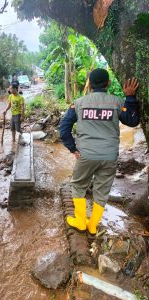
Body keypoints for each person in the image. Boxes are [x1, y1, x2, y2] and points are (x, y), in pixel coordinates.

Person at [60, 68, 140, 236]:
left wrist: (73, 148)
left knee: (78, 186)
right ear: (108, 83)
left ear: (89, 84)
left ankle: (80, 222)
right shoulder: (118, 102)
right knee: (102, 191)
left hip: (86, 155)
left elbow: (64, 128)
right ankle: (93, 225)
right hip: (109, 156)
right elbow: (132, 121)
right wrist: (130, 97)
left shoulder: (79, 103)